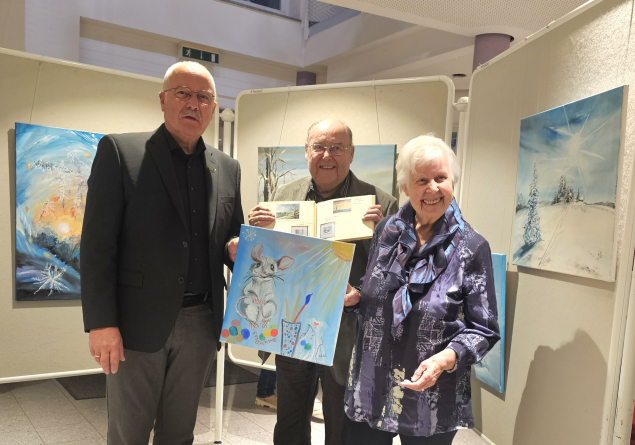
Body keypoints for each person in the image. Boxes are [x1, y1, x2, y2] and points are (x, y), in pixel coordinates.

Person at [80, 61, 243, 445]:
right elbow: (97, 245)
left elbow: (229, 238)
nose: (193, 103)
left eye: (203, 96)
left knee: (179, 433)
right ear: (163, 100)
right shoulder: (121, 152)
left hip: (201, 324)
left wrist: (239, 250)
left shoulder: (227, 168)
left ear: (213, 107)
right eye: (183, 93)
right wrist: (101, 323)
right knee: (129, 434)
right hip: (136, 325)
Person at [341, 135, 500, 444]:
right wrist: (356, 297)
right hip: (372, 384)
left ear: (452, 181)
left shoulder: (472, 247)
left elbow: (485, 329)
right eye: (422, 180)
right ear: (405, 188)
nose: (433, 188)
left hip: (432, 393)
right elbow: (376, 294)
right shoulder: (386, 231)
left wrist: (447, 358)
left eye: (441, 178)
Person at [248, 119, 399, 445]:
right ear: (307, 151)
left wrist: (379, 238)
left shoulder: (381, 204)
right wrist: (258, 232)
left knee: (341, 428)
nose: (327, 155)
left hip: (347, 334)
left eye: (336, 147)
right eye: (319, 146)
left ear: (351, 153)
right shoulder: (284, 196)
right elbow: (267, 261)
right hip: (293, 326)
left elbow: (394, 279)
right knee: (288, 425)